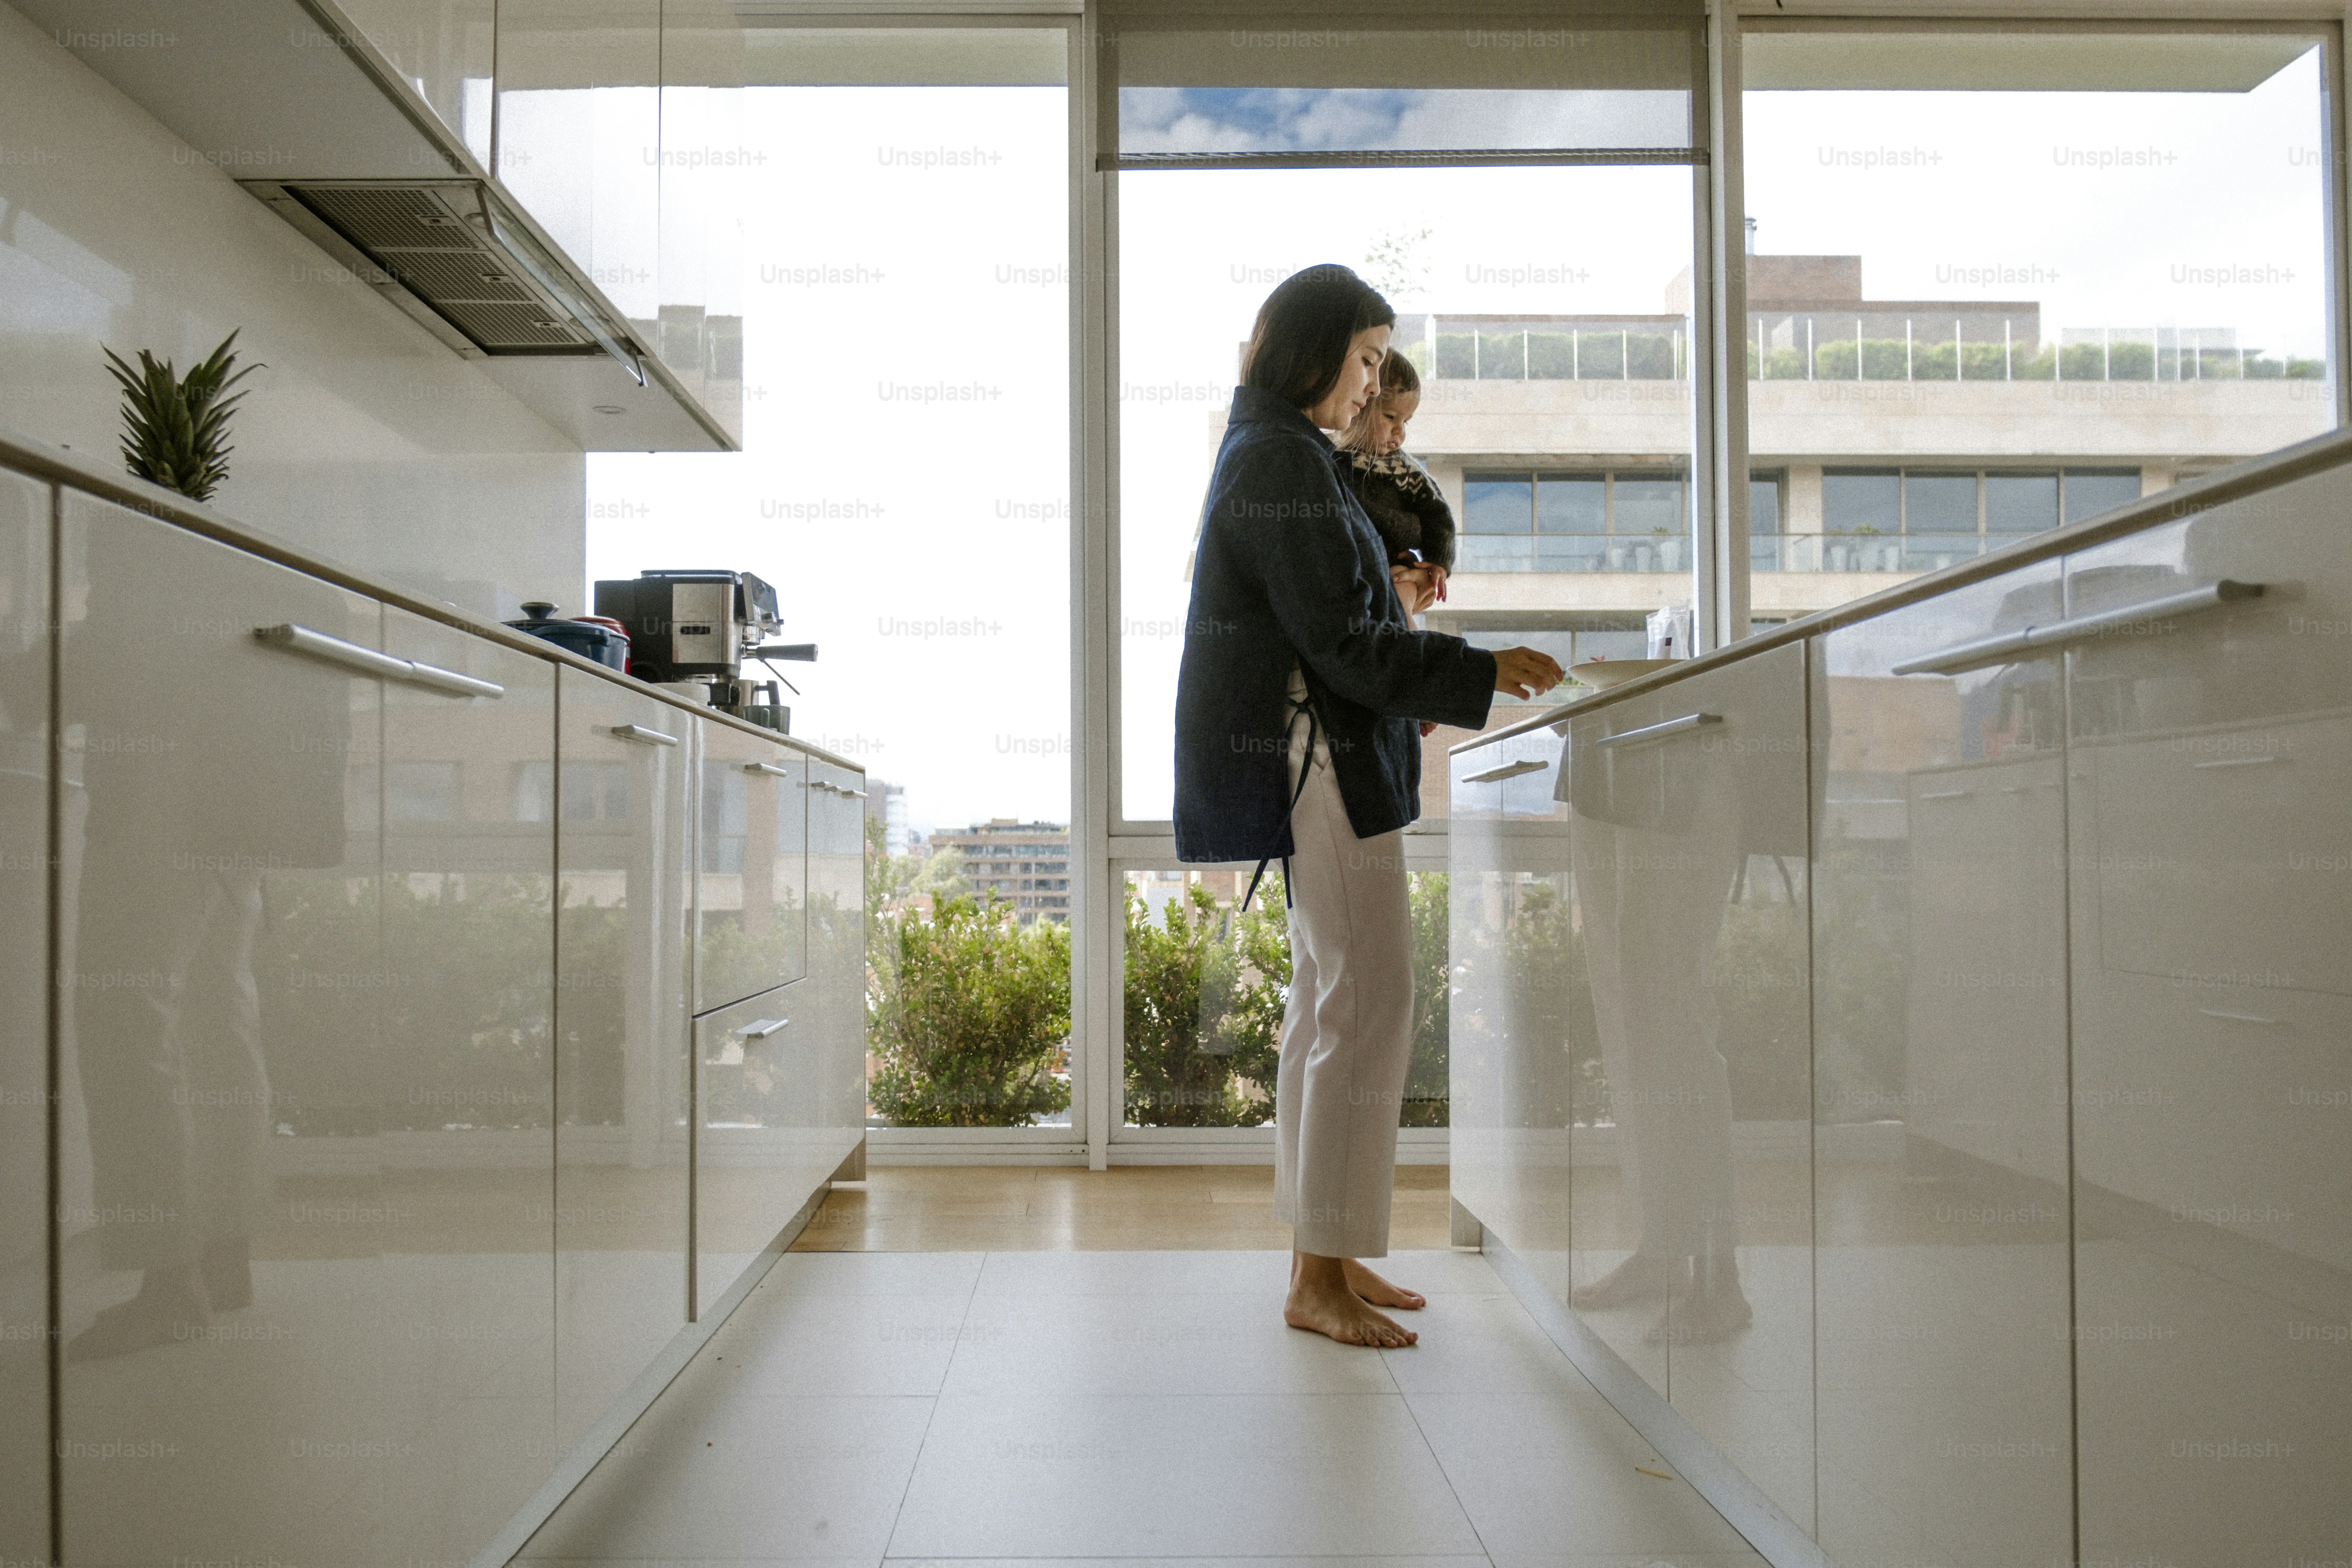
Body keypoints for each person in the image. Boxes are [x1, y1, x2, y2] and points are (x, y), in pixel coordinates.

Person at [1173, 263, 1564, 1347]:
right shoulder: (1280, 463)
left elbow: (1334, 616)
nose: (1370, 381)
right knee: (1367, 1002)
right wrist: (1480, 670)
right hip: (1321, 764)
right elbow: (1344, 650)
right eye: (1360, 359)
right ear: (1312, 352)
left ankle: (1327, 1254)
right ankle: (1317, 1278)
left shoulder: (1282, 457)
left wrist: (1395, 606)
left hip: (1318, 760)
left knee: (1328, 1007)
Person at [1336, 351, 1454, 610]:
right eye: (1390, 417)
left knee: (1402, 588)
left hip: (1395, 563)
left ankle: (1407, 632)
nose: (1400, 431)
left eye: (1406, 421)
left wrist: (1438, 562)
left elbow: (1438, 516)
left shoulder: (1406, 469)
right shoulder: (1329, 456)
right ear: (1360, 404)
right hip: (1349, 569)